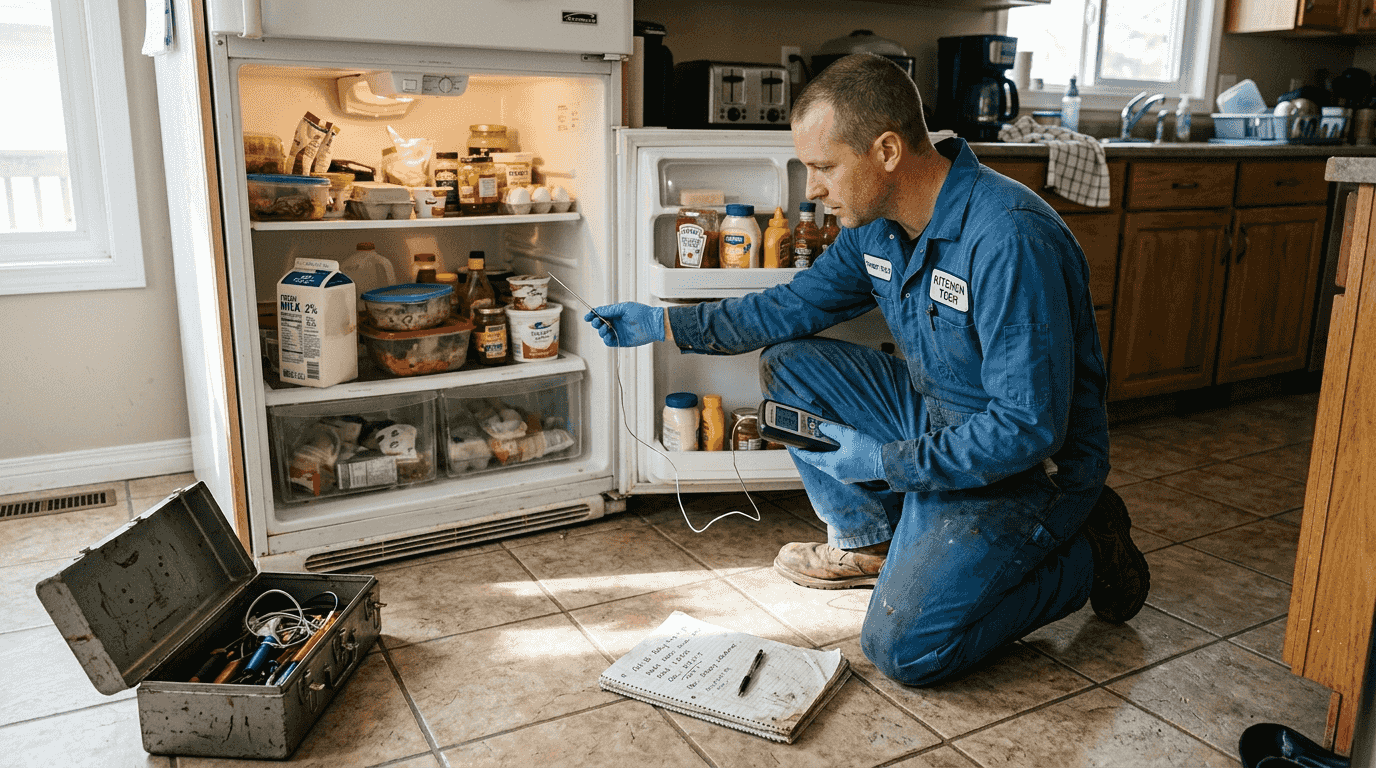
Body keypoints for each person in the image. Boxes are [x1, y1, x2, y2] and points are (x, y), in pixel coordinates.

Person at [585, 53, 1149, 686]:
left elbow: (1028, 428)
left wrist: (887, 463)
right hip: (937, 418)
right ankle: (870, 542)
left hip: (1028, 468)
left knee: (905, 651)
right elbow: (791, 307)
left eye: (824, 167)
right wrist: (664, 324)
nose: (813, 189)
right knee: (791, 366)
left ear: (886, 151)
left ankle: (1086, 553)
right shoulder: (876, 229)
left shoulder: (1008, 238)